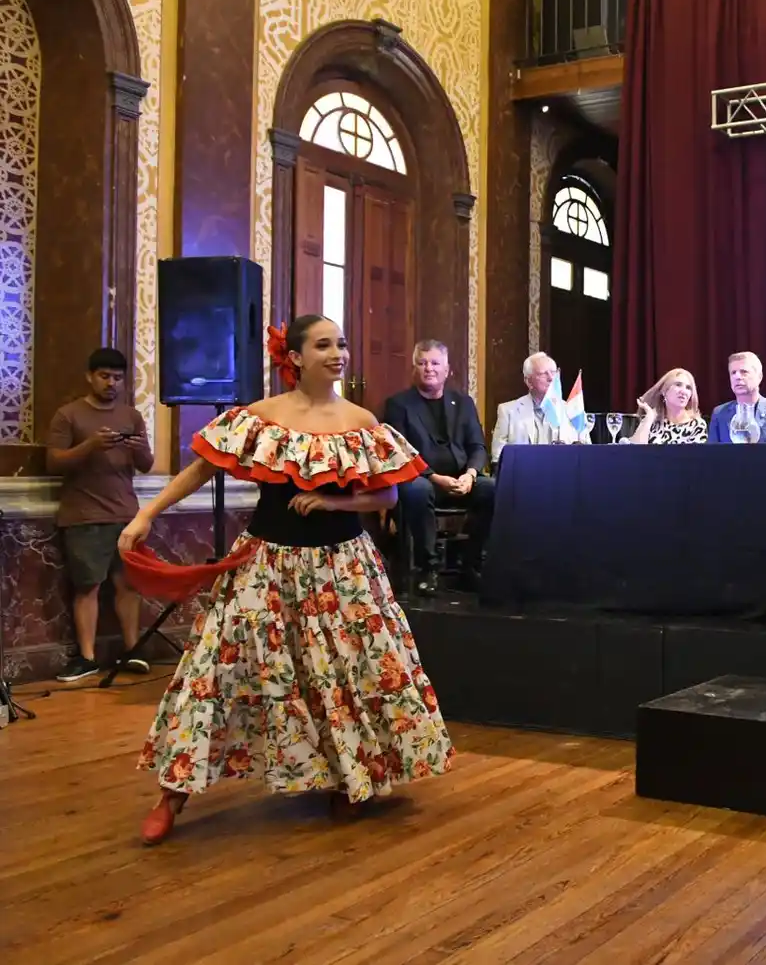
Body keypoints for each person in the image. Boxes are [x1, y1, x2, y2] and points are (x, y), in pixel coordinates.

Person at [120, 314, 454, 845]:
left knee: (346, 674)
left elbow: (388, 497)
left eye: (341, 343)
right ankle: (172, 792)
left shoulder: (362, 421)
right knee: (217, 670)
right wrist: (146, 514)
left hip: (342, 567)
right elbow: (201, 467)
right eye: (324, 345)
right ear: (295, 358)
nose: (338, 353)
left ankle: (349, 780)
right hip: (267, 563)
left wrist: (332, 499)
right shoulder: (262, 416)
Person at [47, 347, 153, 682]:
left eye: (118, 378)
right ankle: (88, 657)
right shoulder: (68, 415)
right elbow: (54, 463)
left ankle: (132, 652)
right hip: (84, 515)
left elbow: (147, 465)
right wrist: (90, 445)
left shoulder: (131, 416)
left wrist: (139, 451)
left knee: (128, 586)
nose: (111, 383)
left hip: (127, 514)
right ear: (90, 377)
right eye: (105, 376)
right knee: (88, 586)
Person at [382, 340, 494, 595]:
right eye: (422, 363)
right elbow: (397, 453)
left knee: (492, 489)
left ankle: (470, 565)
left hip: (461, 478)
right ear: (414, 369)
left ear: (447, 370)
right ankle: (428, 568)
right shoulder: (398, 405)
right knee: (417, 490)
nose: (428, 368)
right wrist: (434, 477)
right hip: (422, 478)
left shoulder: (463, 403)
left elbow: (477, 446)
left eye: (434, 363)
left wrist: (471, 474)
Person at [490, 351, 592, 457]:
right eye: (544, 373)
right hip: (524, 472)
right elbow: (498, 456)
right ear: (529, 381)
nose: (550, 378)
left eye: (553, 372)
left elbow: (587, 452)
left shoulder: (573, 410)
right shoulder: (508, 411)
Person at [707, 351, 766, 443]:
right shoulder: (719, 413)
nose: (737, 377)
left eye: (744, 372)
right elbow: (711, 454)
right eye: (733, 373)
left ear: (759, 377)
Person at [629, 368, 708, 444]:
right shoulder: (652, 421)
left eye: (688, 388)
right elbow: (635, 452)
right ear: (664, 391)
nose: (683, 391)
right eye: (678, 385)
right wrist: (648, 419)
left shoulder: (697, 425)